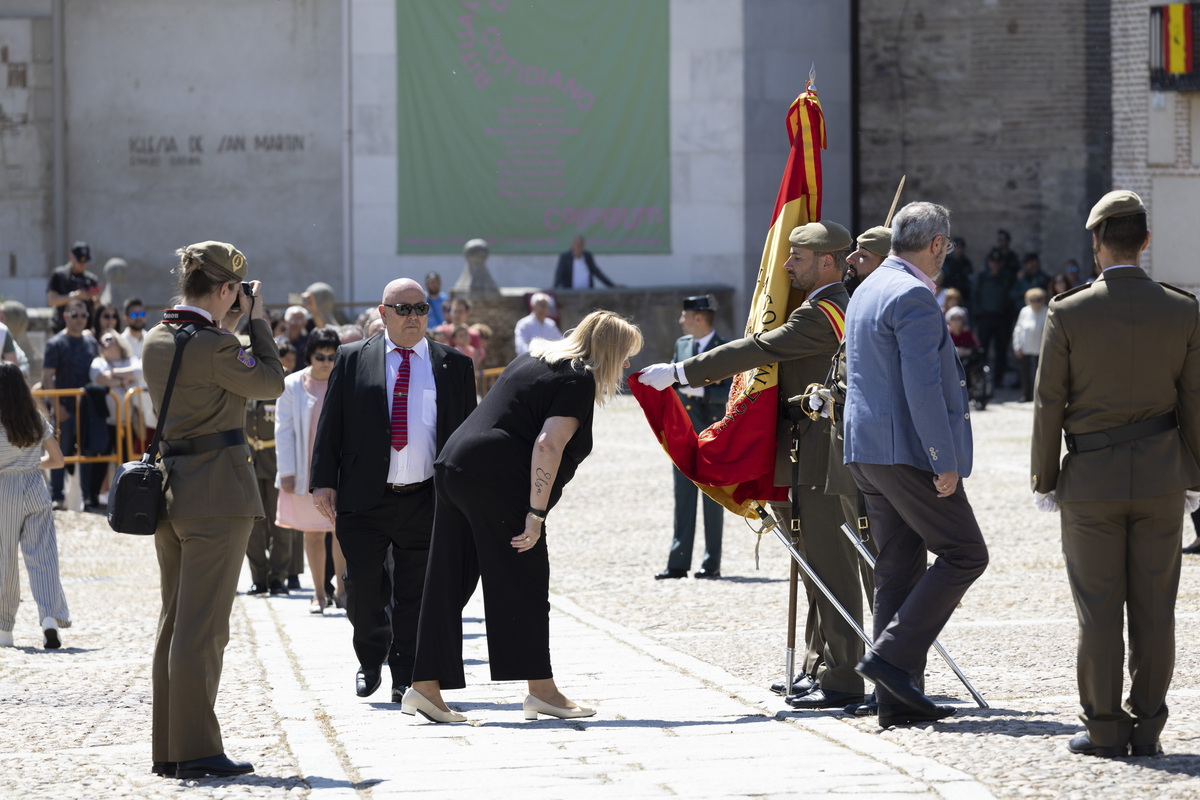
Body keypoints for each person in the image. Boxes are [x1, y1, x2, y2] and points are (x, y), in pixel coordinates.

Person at [640, 221, 866, 711]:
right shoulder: (817, 306)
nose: (786, 267)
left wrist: (682, 372)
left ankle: (845, 677)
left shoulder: (827, 312)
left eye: (798, 258)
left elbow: (761, 349)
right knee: (814, 569)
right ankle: (819, 665)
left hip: (819, 458)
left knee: (832, 568)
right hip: (798, 454)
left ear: (828, 261)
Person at [405, 310, 643, 723]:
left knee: (448, 578)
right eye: (625, 356)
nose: (626, 366)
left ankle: (423, 687)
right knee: (525, 578)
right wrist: (535, 513)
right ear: (609, 351)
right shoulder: (577, 377)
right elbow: (548, 444)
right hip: (496, 483)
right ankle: (542, 692)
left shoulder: (535, 358)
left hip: (454, 469)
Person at [1031, 190, 1200, 759]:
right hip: (1160, 478)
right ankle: (1148, 727)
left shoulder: (1068, 310)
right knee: (1155, 608)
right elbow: (1195, 400)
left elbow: (1049, 401)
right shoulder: (1182, 309)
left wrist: (1044, 479)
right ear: (1146, 242)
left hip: (1091, 481)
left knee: (1099, 609)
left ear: (1097, 244)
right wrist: (1195, 478)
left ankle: (1103, 728)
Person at [843, 201, 989, 729]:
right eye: (946, 248)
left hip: (866, 451)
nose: (945, 256)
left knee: (899, 568)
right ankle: (890, 656)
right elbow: (922, 388)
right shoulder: (912, 295)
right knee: (965, 553)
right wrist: (941, 459)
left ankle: (896, 701)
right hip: (906, 452)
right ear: (935, 245)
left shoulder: (867, 289)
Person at [141, 241, 284, 779]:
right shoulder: (216, 346)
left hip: (172, 492)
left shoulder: (157, 339)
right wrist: (259, 323)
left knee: (175, 623)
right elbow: (272, 382)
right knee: (202, 630)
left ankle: (170, 748)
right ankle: (197, 750)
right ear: (226, 289)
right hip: (218, 496)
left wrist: (232, 325)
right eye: (235, 292)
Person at [309, 278, 477, 704]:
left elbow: (466, 436)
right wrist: (322, 482)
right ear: (382, 314)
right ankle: (370, 657)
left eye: (421, 309)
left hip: (425, 496)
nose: (413, 317)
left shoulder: (453, 365)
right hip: (364, 496)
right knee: (362, 587)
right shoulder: (352, 359)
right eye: (403, 309)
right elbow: (332, 424)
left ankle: (406, 672)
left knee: (414, 593)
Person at [654, 295, 729, 581]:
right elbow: (673, 379)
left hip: (712, 434)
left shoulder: (723, 348)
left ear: (699, 318)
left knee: (712, 501)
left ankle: (711, 563)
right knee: (682, 498)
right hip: (683, 433)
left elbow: (731, 391)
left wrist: (702, 392)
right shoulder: (682, 345)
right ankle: (678, 563)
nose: (680, 321)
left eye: (684, 316)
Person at [0, 362, 70, 650]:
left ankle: (4, 627)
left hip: (4, 489)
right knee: (43, 556)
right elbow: (58, 460)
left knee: (4, 560)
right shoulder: (36, 420)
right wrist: (30, 464)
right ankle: (49, 619)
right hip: (35, 486)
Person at [276, 326, 347, 613]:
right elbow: (283, 430)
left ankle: (342, 591)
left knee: (340, 531)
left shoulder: (344, 382)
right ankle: (318, 593)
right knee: (313, 533)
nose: (326, 362)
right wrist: (287, 472)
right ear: (310, 356)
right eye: (320, 356)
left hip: (339, 470)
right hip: (305, 471)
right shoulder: (292, 384)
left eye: (331, 356)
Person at [42, 298, 100, 511]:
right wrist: (56, 407)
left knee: (87, 453)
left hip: (88, 410)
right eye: (74, 315)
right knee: (60, 452)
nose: (79, 319)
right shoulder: (55, 343)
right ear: (66, 316)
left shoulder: (92, 343)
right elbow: (47, 376)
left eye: (83, 315)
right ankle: (57, 496)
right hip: (65, 408)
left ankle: (87, 498)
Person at [243, 374, 289, 598]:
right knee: (253, 526)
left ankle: (278, 577)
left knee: (279, 523)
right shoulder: (246, 387)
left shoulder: (280, 385)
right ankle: (258, 578)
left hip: (276, 463)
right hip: (251, 463)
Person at [972, 250, 1015, 389]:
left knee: (1001, 350)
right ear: (989, 262)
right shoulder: (982, 277)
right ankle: (981, 378)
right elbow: (974, 294)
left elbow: (1011, 295)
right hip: (985, 317)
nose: (995, 265)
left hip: (1002, 318)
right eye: (993, 262)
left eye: (998, 262)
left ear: (1002, 263)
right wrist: (977, 312)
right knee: (981, 349)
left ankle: (998, 379)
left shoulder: (1007, 277)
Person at [46, 242, 101, 332]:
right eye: (80, 261)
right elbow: (51, 301)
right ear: (71, 257)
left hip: (85, 331)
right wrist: (75, 296)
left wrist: (96, 299)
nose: (83, 264)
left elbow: (96, 308)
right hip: (62, 329)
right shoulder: (59, 275)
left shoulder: (91, 279)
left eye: (85, 261)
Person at [1011, 288, 1048, 403]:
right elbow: (1018, 329)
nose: (1035, 303)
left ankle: (1039, 396)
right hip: (1025, 347)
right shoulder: (1024, 311)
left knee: (1041, 374)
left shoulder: (1046, 311)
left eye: (1037, 300)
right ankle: (1026, 395)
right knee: (1024, 373)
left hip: (1040, 348)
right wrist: (1017, 346)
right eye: (1032, 300)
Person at [940, 236, 972, 301]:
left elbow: (969, 279)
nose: (959, 249)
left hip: (962, 295)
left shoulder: (966, 263)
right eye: (957, 247)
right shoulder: (946, 261)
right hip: (947, 294)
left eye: (961, 247)